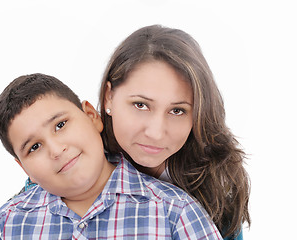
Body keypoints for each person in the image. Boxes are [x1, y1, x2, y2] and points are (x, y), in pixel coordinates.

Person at [0, 73, 222, 239]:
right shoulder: (7, 225)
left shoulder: (174, 211)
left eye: (61, 125)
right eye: (34, 147)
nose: (56, 150)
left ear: (91, 115)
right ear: (23, 168)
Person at [98, 25, 250, 239]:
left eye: (177, 110)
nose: (156, 133)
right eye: (141, 105)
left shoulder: (215, 186)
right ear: (109, 97)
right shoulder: (72, 160)